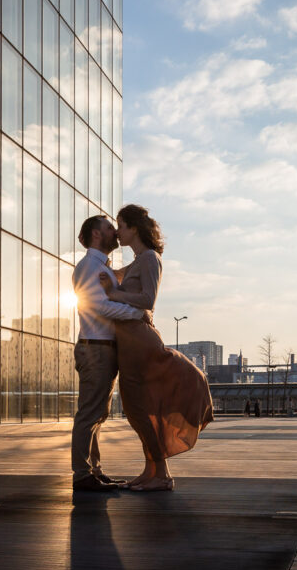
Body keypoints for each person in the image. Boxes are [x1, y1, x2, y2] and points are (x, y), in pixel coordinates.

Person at [98, 204, 214, 492]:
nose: (118, 231)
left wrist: (113, 293)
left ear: (134, 228)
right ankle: (151, 471)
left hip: (139, 341)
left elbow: (148, 299)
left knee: (138, 408)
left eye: (121, 226)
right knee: (137, 410)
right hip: (130, 342)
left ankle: (161, 474)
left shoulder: (150, 258)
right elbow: (115, 277)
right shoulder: (139, 261)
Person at [70, 215, 147, 492]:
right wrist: (137, 313)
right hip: (96, 349)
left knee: (97, 415)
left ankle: (93, 470)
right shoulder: (89, 266)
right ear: (96, 235)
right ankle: (82, 474)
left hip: (101, 348)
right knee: (90, 414)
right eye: (109, 228)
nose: (115, 231)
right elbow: (100, 307)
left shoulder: (99, 267)